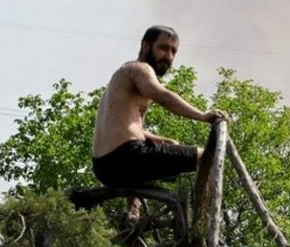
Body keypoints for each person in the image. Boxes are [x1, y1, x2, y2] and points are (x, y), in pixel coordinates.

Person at [92, 25, 227, 221]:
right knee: (205, 156)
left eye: (174, 51)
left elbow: (130, 130)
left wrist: (160, 139)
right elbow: (164, 96)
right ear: (146, 46)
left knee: (161, 148)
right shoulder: (139, 69)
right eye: (163, 48)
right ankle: (207, 227)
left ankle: (133, 215)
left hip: (104, 167)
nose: (169, 57)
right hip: (125, 157)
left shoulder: (120, 78)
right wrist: (203, 116)